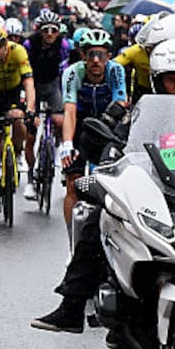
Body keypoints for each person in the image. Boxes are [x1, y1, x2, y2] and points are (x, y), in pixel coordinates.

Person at [31, 38, 175, 333]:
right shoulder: (143, 111)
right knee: (98, 220)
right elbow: (115, 141)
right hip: (154, 194)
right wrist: (103, 157)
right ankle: (72, 307)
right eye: (171, 80)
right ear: (157, 81)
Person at [58, 27, 127, 229]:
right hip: (81, 124)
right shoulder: (72, 73)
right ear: (83, 55)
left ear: (109, 56)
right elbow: (69, 111)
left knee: (111, 182)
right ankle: (73, 240)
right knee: (73, 182)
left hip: (109, 125)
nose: (96, 60)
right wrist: (67, 144)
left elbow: (120, 105)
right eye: (91, 55)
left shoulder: (116, 70)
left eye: (101, 55)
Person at [0, 15, 36, 213]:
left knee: (18, 118)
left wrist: (31, 108)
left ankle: (18, 152)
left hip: (12, 91)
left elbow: (28, 82)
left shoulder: (18, 51)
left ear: (6, 42)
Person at [23, 10, 74, 199]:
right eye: (46, 30)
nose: (50, 34)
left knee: (61, 120)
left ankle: (59, 149)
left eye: (54, 30)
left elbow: (66, 72)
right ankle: (29, 178)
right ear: (40, 31)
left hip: (54, 85)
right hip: (33, 85)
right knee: (30, 134)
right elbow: (24, 71)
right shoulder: (29, 45)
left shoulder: (64, 45)